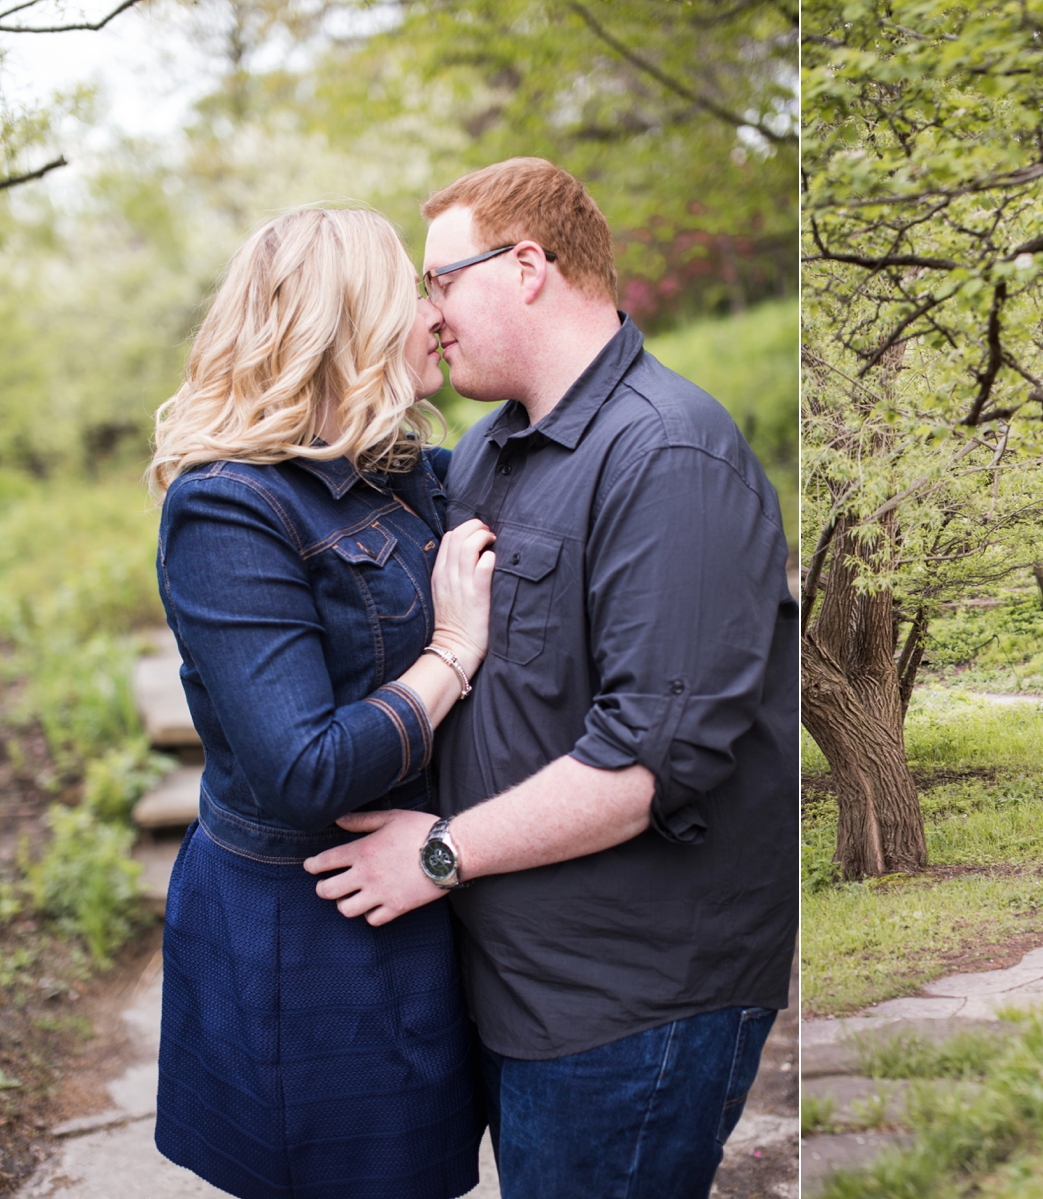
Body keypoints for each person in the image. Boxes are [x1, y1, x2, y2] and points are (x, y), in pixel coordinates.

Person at [304, 158, 797, 1198]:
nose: (429, 317)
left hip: (631, 999)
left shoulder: (667, 455)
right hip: (515, 979)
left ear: (527, 265)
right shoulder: (489, 450)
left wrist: (437, 853)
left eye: (440, 282)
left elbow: (642, 768)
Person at [147, 208, 496, 1199]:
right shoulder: (229, 506)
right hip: (300, 928)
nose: (436, 315)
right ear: (347, 321)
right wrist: (452, 651)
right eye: (412, 291)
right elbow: (301, 766)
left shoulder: (407, 477)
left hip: (412, 897)